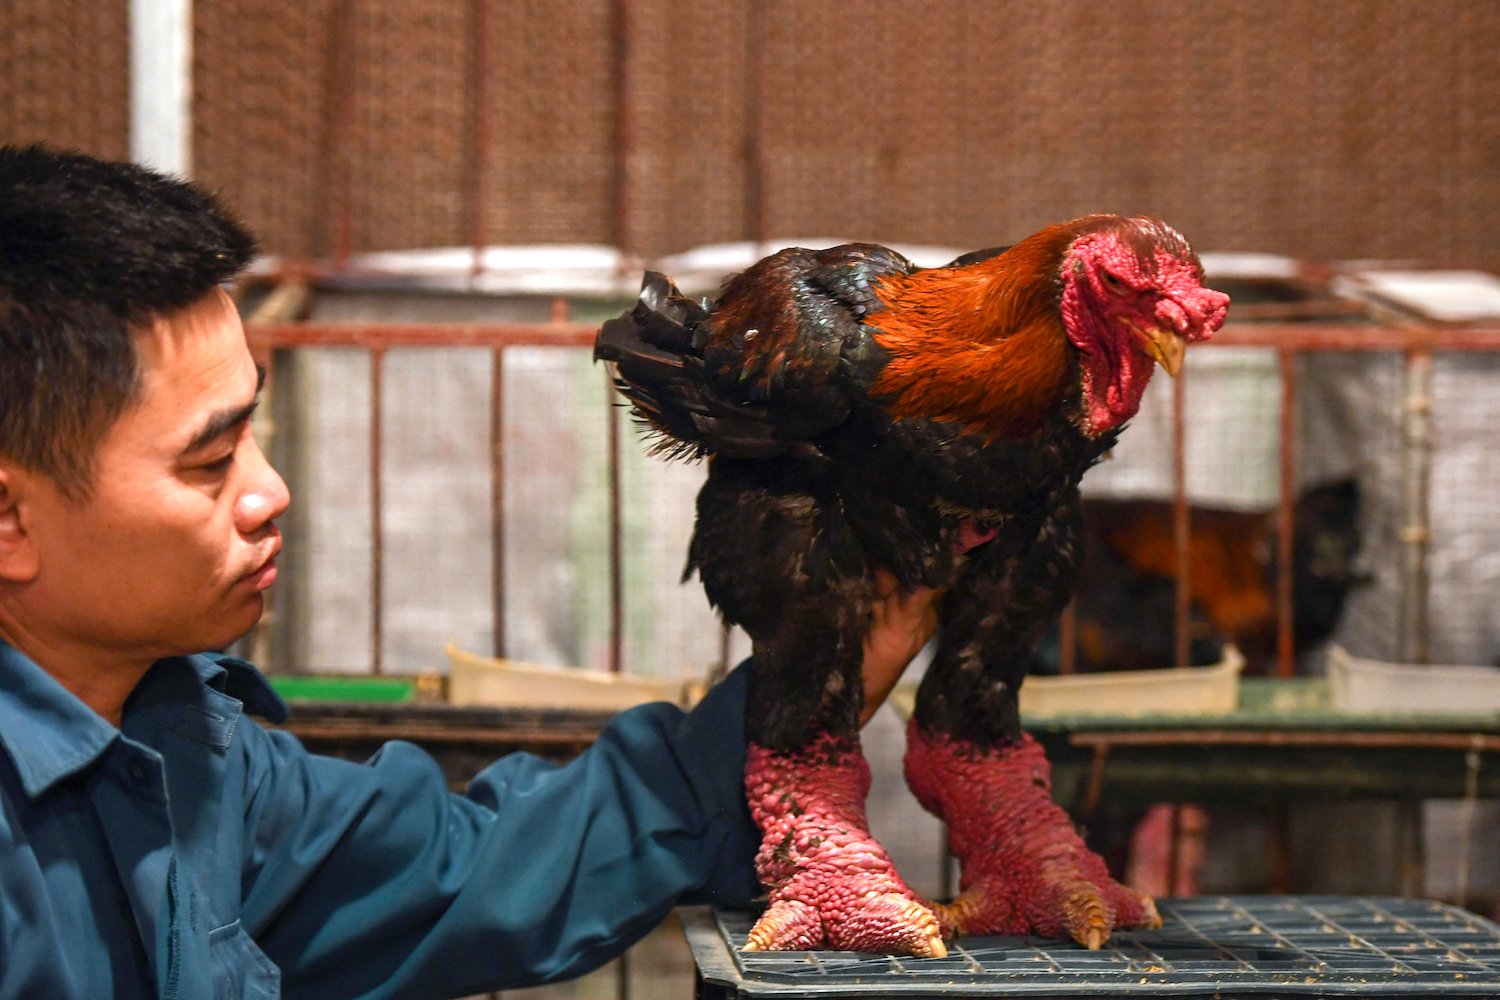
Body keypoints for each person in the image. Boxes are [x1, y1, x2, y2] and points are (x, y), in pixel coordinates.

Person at [0, 145, 942, 1000]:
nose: (270, 492)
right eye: (209, 462)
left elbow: (472, 868)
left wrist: (805, 690)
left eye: (253, 429)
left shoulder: (180, 753)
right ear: (10, 519)